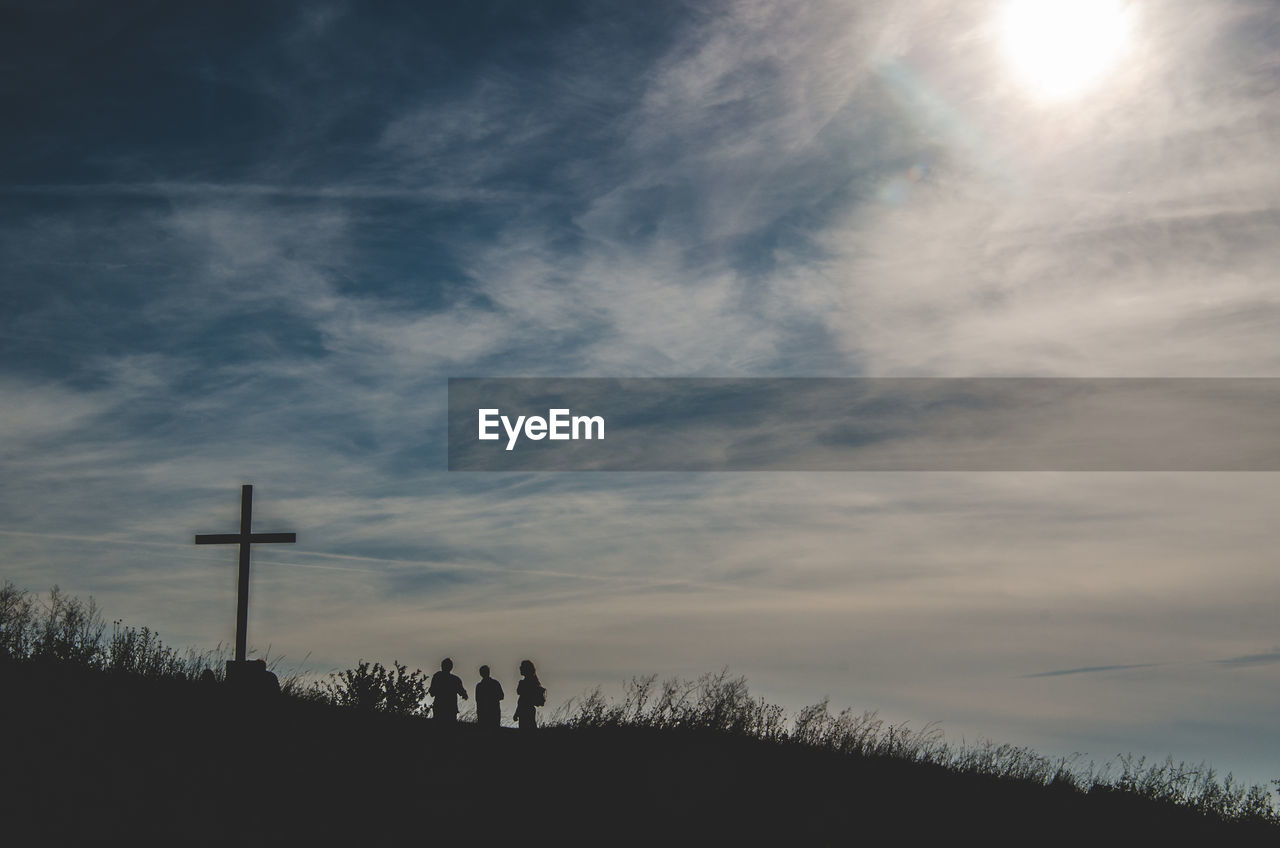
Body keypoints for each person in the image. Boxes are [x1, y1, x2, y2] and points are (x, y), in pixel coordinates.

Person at [428, 657, 468, 724]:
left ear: (442, 666)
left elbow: (432, 692)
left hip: (439, 707)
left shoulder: (437, 676)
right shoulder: (455, 680)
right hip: (451, 708)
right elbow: (464, 695)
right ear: (451, 667)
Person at [514, 659, 544, 731]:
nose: (520, 668)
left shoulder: (525, 683)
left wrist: (516, 713)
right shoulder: (533, 682)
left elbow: (522, 700)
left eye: (522, 667)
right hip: (529, 709)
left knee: (526, 730)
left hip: (525, 710)